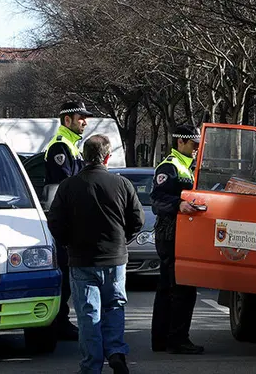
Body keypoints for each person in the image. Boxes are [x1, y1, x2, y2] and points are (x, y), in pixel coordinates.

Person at [47, 134, 145, 374]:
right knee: (114, 306)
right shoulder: (122, 184)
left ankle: (92, 365)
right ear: (108, 157)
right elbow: (138, 220)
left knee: (88, 312)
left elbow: (55, 222)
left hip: (82, 259)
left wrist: (68, 243)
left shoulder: (69, 185)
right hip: (115, 258)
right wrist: (122, 240)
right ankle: (115, 352)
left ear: (83, 157)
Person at [150, 124, 205, 355]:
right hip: (171, 233)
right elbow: (156, 199)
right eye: (193, 144)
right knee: (181, 287)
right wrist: (178, 204)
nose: (196, 149)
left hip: (178, 233)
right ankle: (177, 339)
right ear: (180, 142)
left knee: (169, 287)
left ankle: (162, 339)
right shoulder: (170, 167)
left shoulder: (187, 166)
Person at [44, 100, 94, 341]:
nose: (85, 122)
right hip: (62, 220)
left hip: (69, 219)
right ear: (67, 120)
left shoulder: (72, 146)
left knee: (67, 273)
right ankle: (58, 322)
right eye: (81, 117)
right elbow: (66, 186)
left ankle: (61, 320)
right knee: (62, 274)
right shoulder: (60, 147)